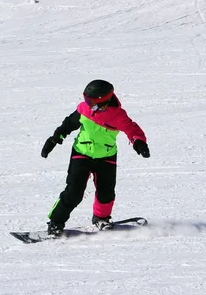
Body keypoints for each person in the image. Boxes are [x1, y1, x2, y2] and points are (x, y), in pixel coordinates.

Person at [40, 79, 150, 237]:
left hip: (106, 156)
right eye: (85, 99)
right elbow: (69, 123)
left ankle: (101, 218)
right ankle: (56, 223)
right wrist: (55, 138)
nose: (87, 104)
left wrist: (139, 142)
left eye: (90, 101)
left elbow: (132, 129)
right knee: (73, 192)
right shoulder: (84, 108)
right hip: (81, 153)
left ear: (103, 101)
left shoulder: (118, 115)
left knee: (106, 193)